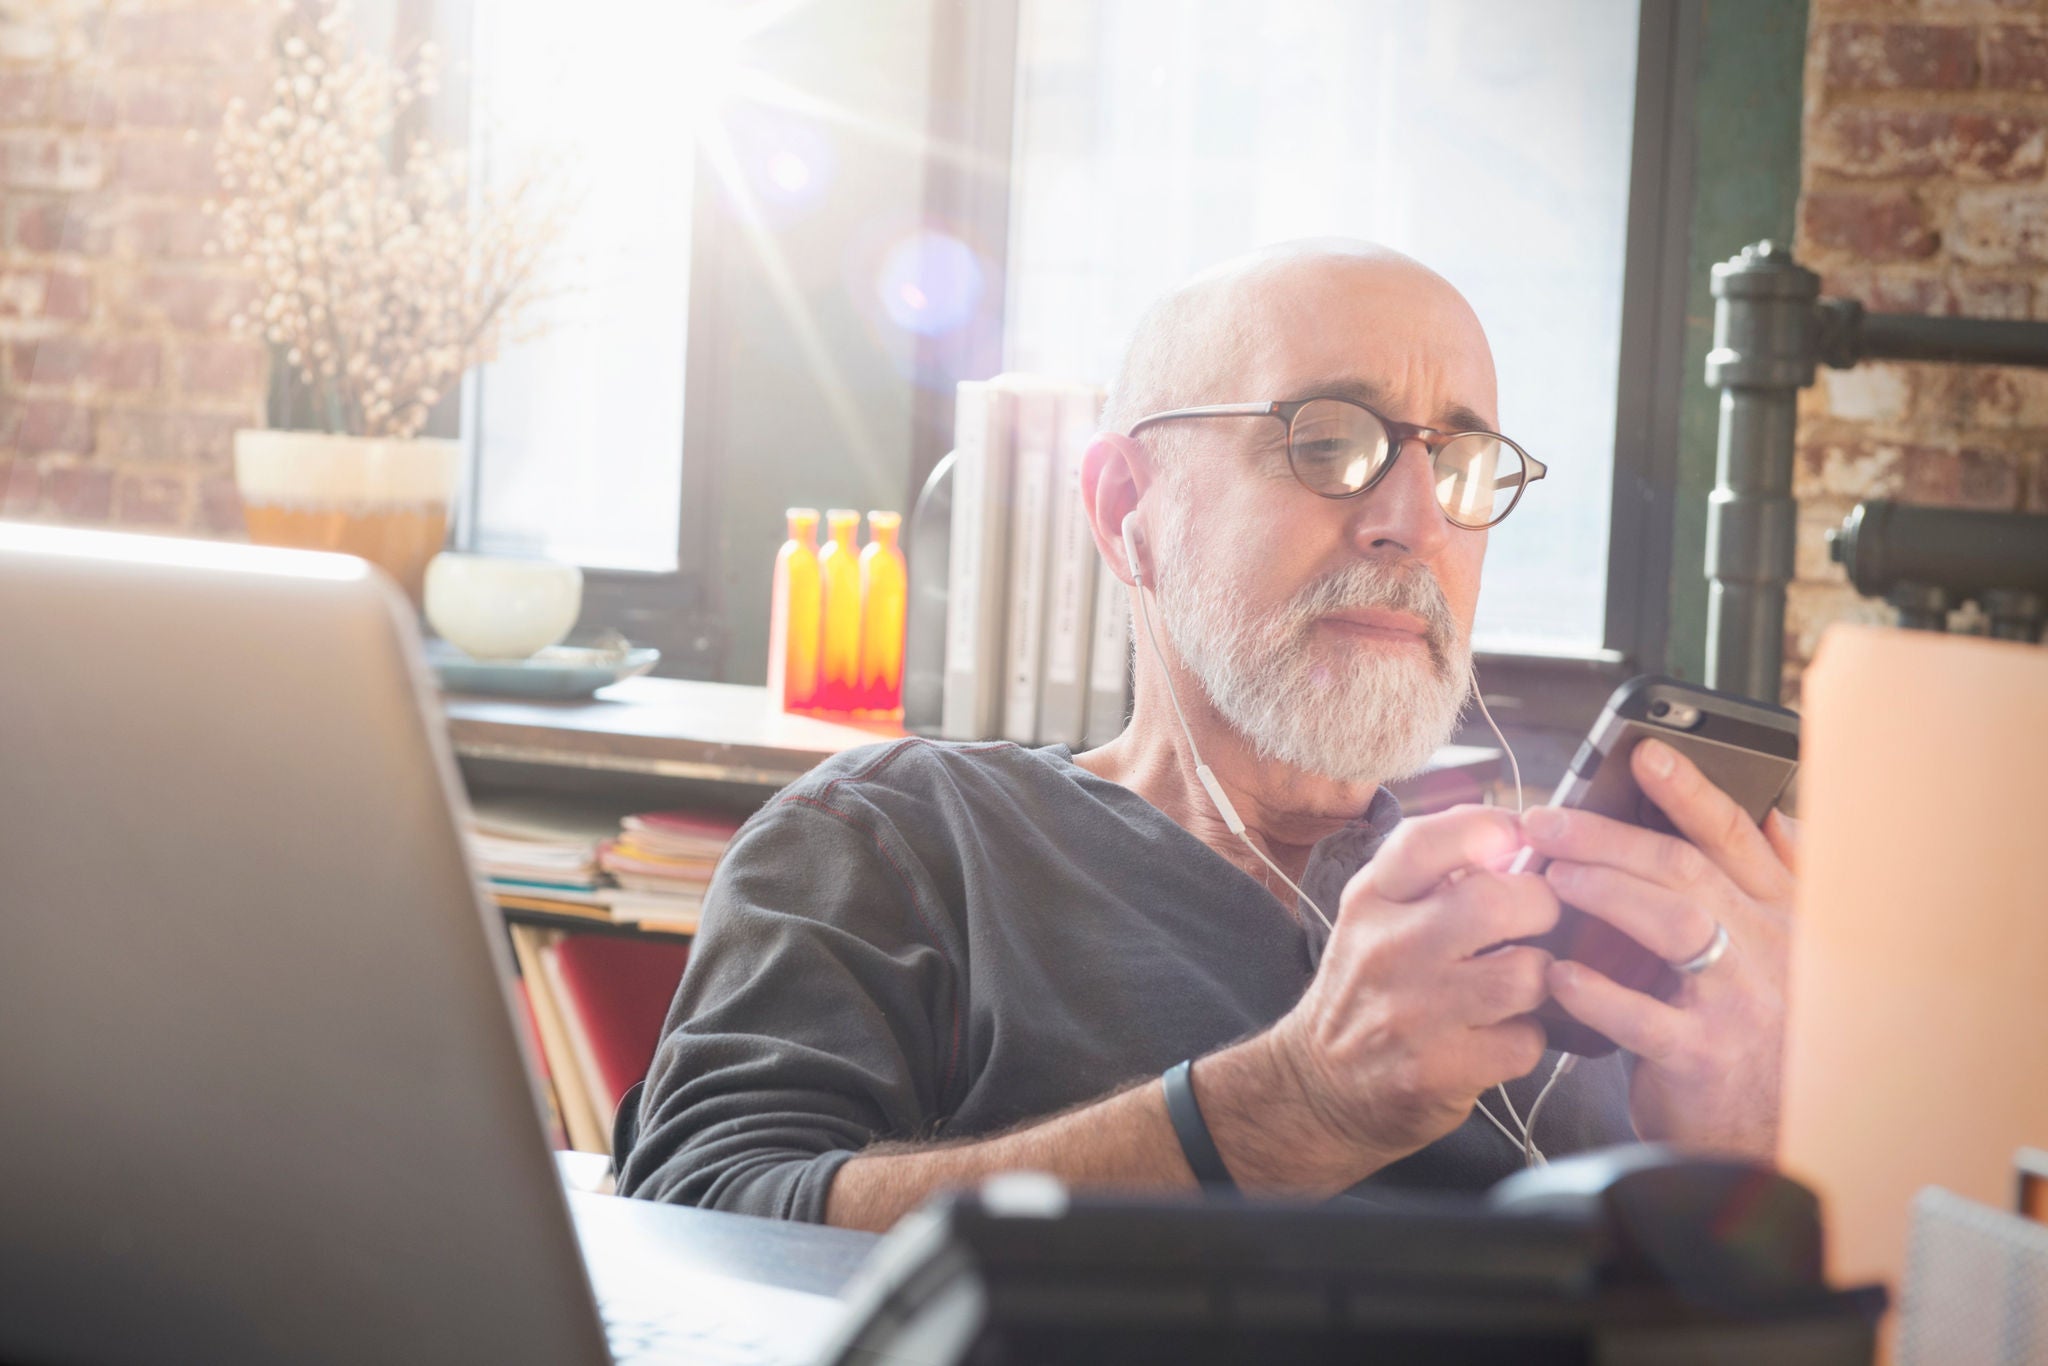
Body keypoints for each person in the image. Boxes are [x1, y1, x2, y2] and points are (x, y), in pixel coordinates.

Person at [615, 240, 1798, 1233]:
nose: (1412, 521)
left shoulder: (1574, 929)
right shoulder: (895, 841)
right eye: (1327, 442)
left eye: (1459, 464)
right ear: (1127, 510)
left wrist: (1748, 1141)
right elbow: (696, 1228)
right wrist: (1294, 1104)